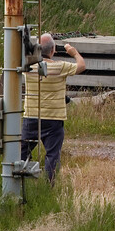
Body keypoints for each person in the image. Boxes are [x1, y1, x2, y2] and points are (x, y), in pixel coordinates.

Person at [21, 33, 85, 184]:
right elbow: (82, 66)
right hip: (53, 119)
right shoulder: (60, 67)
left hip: (31, 116)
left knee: (22, 152)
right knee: (52, 155)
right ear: (53, 50)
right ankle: (48, 185)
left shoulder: (28, 67)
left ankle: (18, 181)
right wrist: (73, 52)